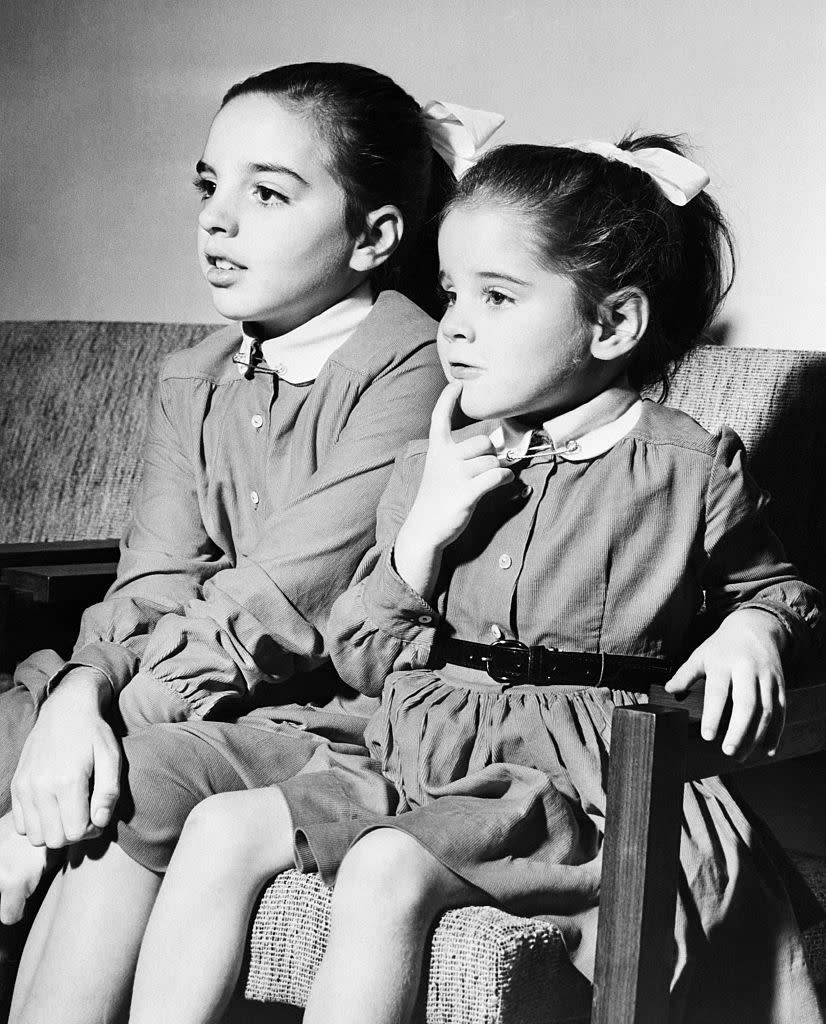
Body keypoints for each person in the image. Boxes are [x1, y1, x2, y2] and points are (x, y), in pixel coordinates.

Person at [126, 136, 822, 1024]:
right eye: (452, 293)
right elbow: (368, 657)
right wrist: (424, 531)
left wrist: (754, 629)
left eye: (496, 298)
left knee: (385, 862)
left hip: (572, 778)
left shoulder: (683, 466)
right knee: (220, 826)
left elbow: (780, 590)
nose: (453, 324)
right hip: (417, 749)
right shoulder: (433, 465)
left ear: (612, 325)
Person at [0, 62, 504, 1023]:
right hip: (177, 684)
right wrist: (75, 694)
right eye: (208, 185)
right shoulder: (192, 376)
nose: (216, 220)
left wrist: (75, 762)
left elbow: (270, 612)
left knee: (115, 789)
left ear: (375, 237)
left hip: (316, 705)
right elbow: (149, 583)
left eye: (266, 192)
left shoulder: (412, 370)